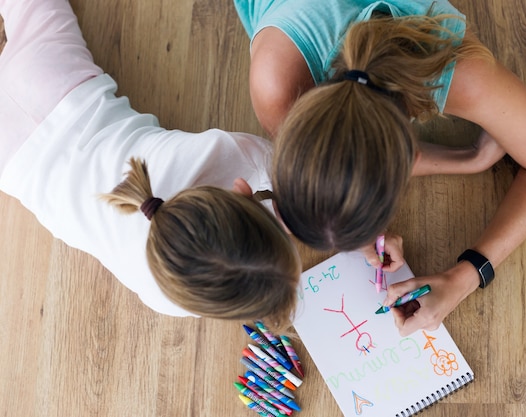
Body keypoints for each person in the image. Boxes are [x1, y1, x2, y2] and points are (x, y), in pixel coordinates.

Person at [234, 0, 526, 335]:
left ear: (410, 162)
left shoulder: (460, 73)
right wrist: (468, 159)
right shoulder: (275, 85)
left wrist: (464, 277)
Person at [0, 0, 302, 332]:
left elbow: (272, 162)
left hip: (57, 88)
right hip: (13, 158)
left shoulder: (201, 156)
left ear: (242, 189)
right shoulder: (165, 296)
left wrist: (302, 210)